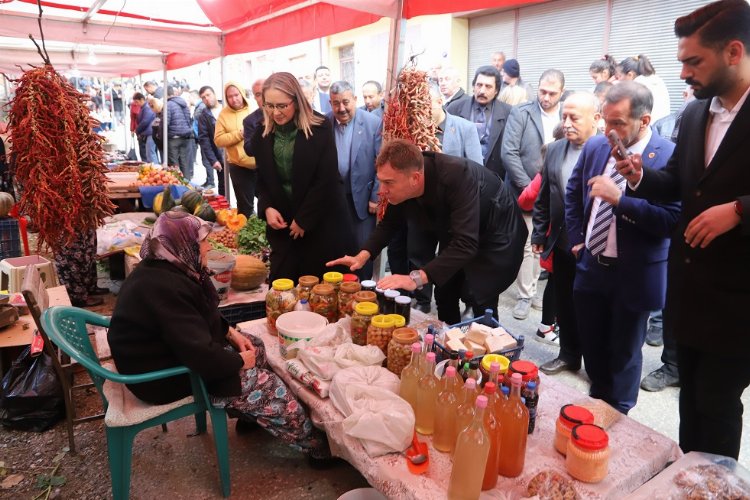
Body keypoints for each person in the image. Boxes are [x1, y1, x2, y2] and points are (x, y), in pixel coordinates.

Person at [617, 0, 750, 458]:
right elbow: (675, 181)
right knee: (690, 401)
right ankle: (689, 479)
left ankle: (716, 485)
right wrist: (638, 176)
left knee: (717, 405)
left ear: (734, 52)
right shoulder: (695, 114)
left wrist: (739, 209)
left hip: (738, 301)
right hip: (689, 291)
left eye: (694, 62)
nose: (683, 74)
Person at [106, 211, 331, 461]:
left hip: (165, 355)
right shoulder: (164, 288)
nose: (208, 247)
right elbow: (199, 353)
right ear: (183, 244)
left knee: (253, 344)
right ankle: (315, 446)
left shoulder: (163, 266)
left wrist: (229, 332)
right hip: (160, 378)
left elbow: (194, 318)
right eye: (202, 241)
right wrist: (238, 363)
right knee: (269, 386)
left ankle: (252, 416)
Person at [565, 81, 680, 414]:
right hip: (591, 266)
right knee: (594, 348)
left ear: (644, 121)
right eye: (605, 120)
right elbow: (574, 192)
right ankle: (597, 409)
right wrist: (577, 240)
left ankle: (620, 416)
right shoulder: (597, 147)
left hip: (635, 274)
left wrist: (620, 201)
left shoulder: (668, 157)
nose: (607, 129)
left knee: (625, 355)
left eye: (617, 123)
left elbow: (671, 220)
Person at [327, 139, 526, 325]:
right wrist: (363, 255)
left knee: (480, 297)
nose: (381, 190)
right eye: (380, 181)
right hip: (460, 230)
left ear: (415, 178)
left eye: (388, 183)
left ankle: (490, 350)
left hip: (497, 231)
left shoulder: (457, 175)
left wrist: (415, 278)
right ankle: (448, 346)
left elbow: (466, 244)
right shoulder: (405, 179)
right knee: (444, 290)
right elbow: (389, 224)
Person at [251, 72, 355, 282]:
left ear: (296, 101)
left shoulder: (320, 127)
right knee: (282, 290)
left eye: (282, 106)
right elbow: (262, 179)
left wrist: (304, 219)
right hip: (285, 228)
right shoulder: (261, 134)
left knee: (321, 291)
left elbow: (326, 180)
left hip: (322, 225)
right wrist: (267, 207)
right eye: (269, 106)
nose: (275, 112)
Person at [532, 92, 600, 375]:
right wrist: (538, 234)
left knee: (594, 308)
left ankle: (597, 364)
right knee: (565, 301)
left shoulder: (605, 149)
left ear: (596, 119)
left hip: (597, 246)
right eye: (564, 117)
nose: (567, 123)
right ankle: (568, 354)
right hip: (562, 241)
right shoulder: (556, 149)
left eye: (575, 117)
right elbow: (545, 194)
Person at [502, 69, 565, 320]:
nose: (546, 97)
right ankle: (525, 294)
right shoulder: (522, 113)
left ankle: (538, 291)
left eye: (552, 93)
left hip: (558, 193)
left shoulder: (565, 115)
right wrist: (530, 188)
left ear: (561, 92)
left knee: (548, 244)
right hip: (528, 189)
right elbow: (509, 153)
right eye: (542, 91)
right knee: (529, 245)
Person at [326, 81, 382, 280]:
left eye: (346, 102)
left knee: (361, 250)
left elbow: (381, 163)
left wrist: (376, 196)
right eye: (335, 103)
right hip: (333, 200)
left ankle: (363, 291)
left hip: (363, 199)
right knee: (336, 247)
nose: (341, 108)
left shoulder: (373, 123)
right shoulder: (325, 124)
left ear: (355, 100)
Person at [446, 65, 512, 179]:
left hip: (494, 179)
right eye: (479, 85)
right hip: (460, 176)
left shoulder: (508, 113)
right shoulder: (454, 109)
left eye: (488, 87)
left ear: (496, 90)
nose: (482, 91)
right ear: (473, 86)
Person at [214, 81, 256, 216]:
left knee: (269, 202)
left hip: (261, 164)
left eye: (236, 95)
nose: (234, 99)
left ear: (242, 93)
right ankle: (247, 233)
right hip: (238, 166)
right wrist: (239, 134)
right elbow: (218, 140)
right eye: (230, 97)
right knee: (245, 207)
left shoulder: (254, 107)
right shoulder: (223, 114)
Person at [616, 54, 671, 121]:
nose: (618, 80)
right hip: (662, 127)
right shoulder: (657, 80)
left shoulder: (637, 86)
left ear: (630, 75)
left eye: (619, 76)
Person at [197, 85, 225, 195]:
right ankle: (225, 210)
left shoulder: (227, 107)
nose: (206, 99)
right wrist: (213, 160)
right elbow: (204, 140)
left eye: (208, 95)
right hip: (220, 156)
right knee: (223, 187)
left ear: (214, 94)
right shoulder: (204, 115)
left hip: (237, 155)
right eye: (203, 97)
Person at [165, 85, 194, 179]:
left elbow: (166, 123)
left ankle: (177, 184)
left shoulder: (168, 105)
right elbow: (189, 119)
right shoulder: (183, 103)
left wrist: (160, 135)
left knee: (174, 164)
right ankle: (187, 184)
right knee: (184, 162)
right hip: (185, 136)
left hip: (174, 138)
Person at [134, 94, 159, 164]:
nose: (136, 104)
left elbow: (145, 121)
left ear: (142, 99)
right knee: (150, 153)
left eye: (137, 102)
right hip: (148, 133)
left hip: (150, 133)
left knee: (150, 153)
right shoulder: (144, 108)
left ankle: (155, 169)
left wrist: (137, 130)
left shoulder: (147, 108)